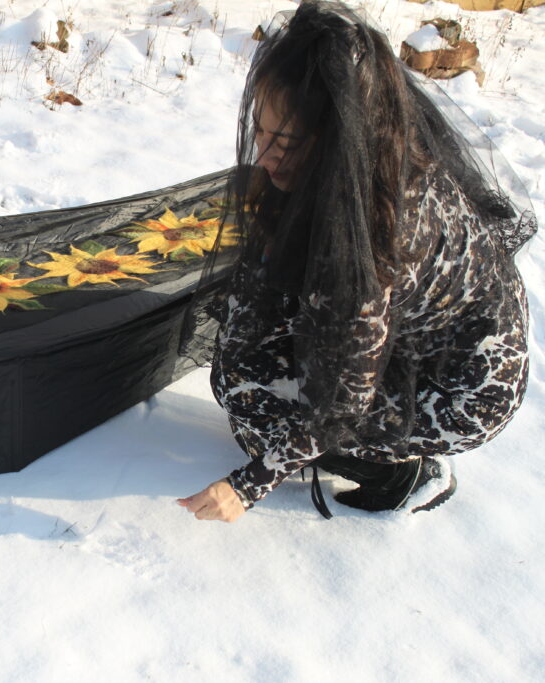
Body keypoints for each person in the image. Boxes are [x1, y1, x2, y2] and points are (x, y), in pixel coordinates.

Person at [177, 1, 535, 522]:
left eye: (287, 143)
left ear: (338, 140)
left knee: (256, 411)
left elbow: (340, 404)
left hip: (461, 389)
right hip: (414, 336)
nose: (264, 156)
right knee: (240, 368)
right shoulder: (367, 154)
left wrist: (247, 486)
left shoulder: (373, 238)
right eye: (261, 130)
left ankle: (406, 472)